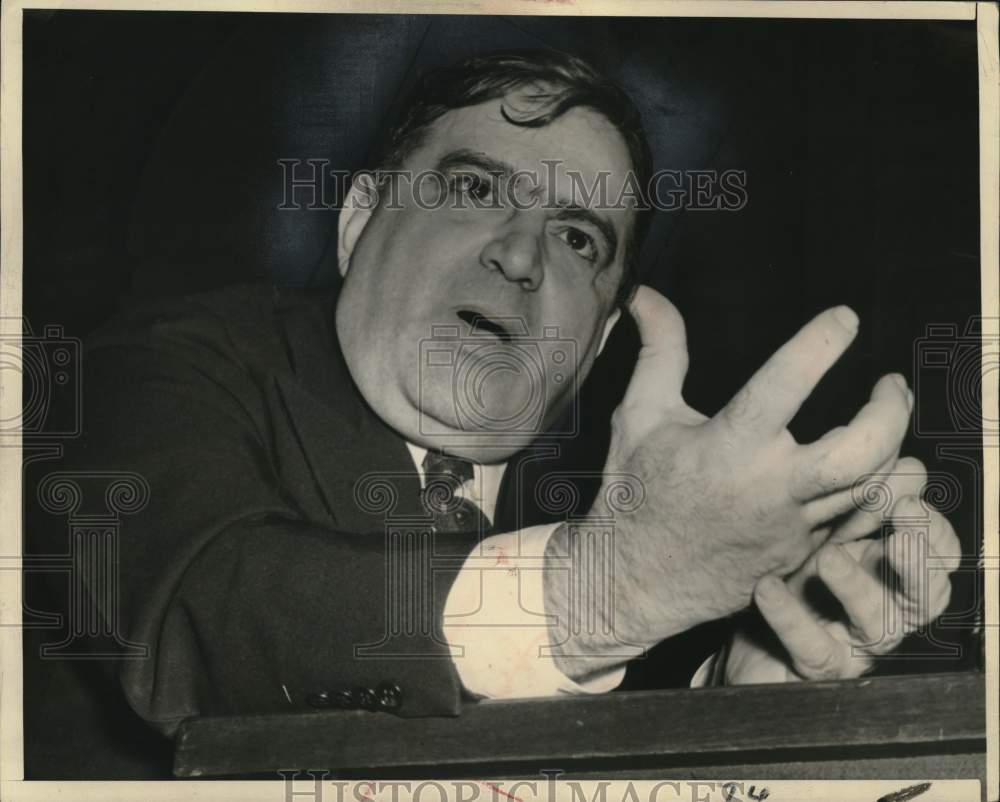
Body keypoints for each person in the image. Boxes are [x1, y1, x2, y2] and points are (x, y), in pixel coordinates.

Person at [26, 49, 960, 776]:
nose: (522, 256)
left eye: (576, 236)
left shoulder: (604, 496)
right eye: (474, 190)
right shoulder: (166, 366)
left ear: (596, 345)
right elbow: (197, 603)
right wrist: (600, 590)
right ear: (357, 221)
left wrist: (745, 702)